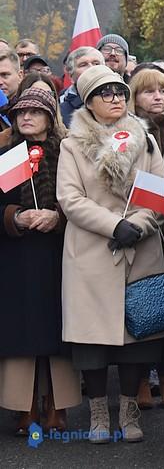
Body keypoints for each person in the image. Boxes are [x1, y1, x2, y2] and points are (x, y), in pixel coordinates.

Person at [57, 65, 164, 444]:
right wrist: (112, 225)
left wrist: (136, 224)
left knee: (137, 339)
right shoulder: (71, 145)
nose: (116, 98)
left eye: (120, 91)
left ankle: (129, 410)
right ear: (88, 101)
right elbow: (69, 199)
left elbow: (158, 190)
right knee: (92, 341)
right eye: (105, 92)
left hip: (139, 244)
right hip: (92, 250)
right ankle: (98, 413)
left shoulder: (146, 139)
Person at [0, 88, 81, 435]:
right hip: (17, 256)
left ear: (51, 116)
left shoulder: (69, 152)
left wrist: (58, 216)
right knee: (22, 329)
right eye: (20, 113)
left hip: (60, 253)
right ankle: (24, 406)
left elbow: (83, 197)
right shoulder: (7, 155)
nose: (26, 118)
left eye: (35, 112)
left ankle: (59, 406)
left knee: (59, 329)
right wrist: (14, 216)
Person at [128, 69, 164, 411]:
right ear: (135, 98)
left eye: (163, 90)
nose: (158, 97)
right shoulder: (128, 134)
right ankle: (139, 381)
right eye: (149, 92)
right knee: (144, 303)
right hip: (145, 224)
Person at [60, 46, 104, 126]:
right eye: (83, 65)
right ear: (71, 75)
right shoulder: (61, 112)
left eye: (96, 63)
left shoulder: (119, 99)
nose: (91, 68)